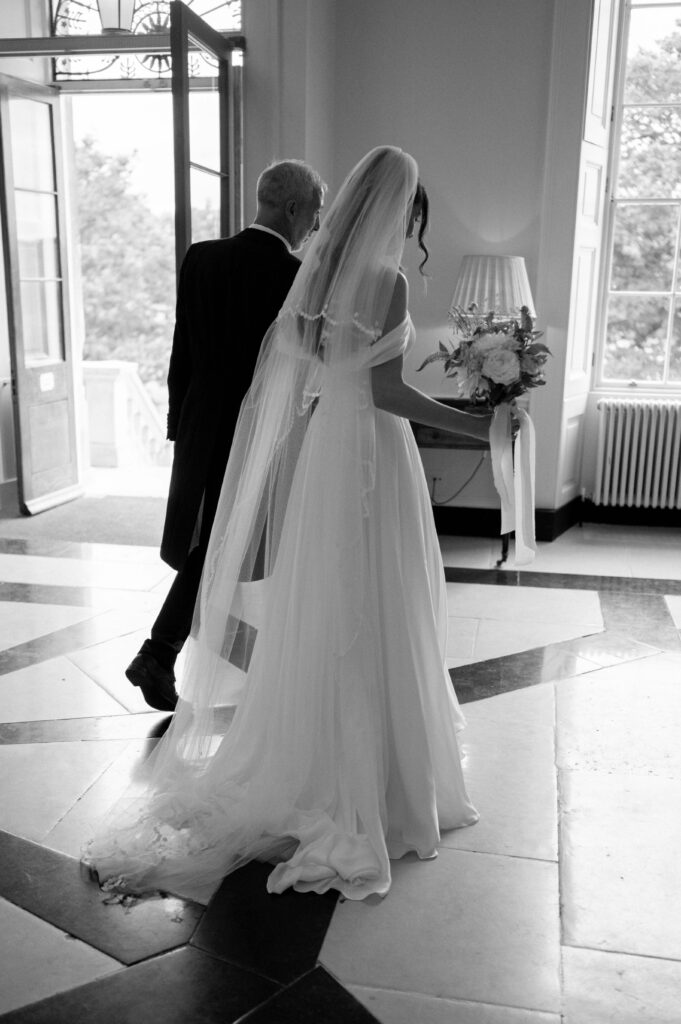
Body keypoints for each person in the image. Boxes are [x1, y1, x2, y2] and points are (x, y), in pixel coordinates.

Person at [85, 146, 492, 903]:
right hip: (368, 449)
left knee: (314, 592)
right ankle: (373, 776)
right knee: (375, 597)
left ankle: (289, 739)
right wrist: (477, 424)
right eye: (411, 211)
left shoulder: (305, 277)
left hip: (303, 444)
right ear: (394, 209)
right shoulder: (386, 282)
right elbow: (386, 392)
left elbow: (295, 370)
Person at [126, 160, 325, 712]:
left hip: (199, 421)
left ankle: (183, 652)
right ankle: (167, 652)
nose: (314, 225)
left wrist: (176, 426)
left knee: (213, 542)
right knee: (223, 546)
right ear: (292, 209)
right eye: (313, 213)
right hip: (255, 430)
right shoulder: (296, 276)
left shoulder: (201, 257)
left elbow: (181, 350)